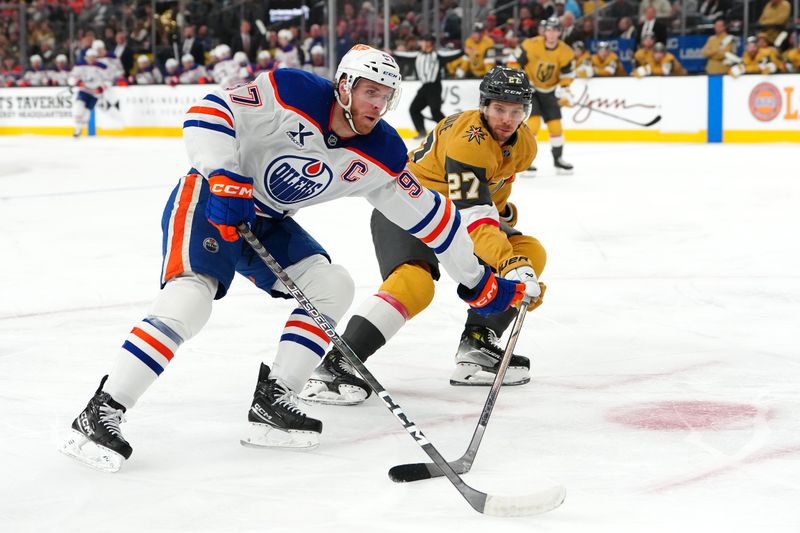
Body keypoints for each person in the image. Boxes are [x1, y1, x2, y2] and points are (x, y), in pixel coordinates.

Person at [60, 45, 533, 472]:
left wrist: (477, 282)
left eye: (386, 96)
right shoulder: (293, 90)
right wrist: (222, 174)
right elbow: (211, 110)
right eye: (369, 92)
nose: (377, 104)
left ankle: (274, 397)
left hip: (268, 221)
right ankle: (102, 410)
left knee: (333, 285)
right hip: (210, 198)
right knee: (190, 300)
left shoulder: (383, 149)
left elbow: (434, 218)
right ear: (344, 86)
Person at [301, 66, 545, 405]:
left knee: (529, 250)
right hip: (410, 207)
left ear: (526, 113)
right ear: (484, 106)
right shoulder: (468, 140)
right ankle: (336, 365)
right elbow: (474, 218)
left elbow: (492, 192)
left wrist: (505, 226)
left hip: (458, 212)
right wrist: (509, 263)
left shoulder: (524, 144)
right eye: (499, 109)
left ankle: (478, 343)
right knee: (415, 283)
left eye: (515, 111)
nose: (506, 118)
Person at [519, 16, 576, 174]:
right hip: (531, 90)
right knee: (533, 126)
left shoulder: (565, 51)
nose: (551, 34)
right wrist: (523, 80)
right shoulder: (531, 45)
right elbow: (514, 61)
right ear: (545, 31)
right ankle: (525, 161)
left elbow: (567, 74)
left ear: (559, 32)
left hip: (550, 91)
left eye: (555, 30)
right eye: (549, 30)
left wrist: (564, 90)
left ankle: (558, 160)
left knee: (556, 126)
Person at [393, 34, 463, 139]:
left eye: (426, 41)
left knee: (435, 112)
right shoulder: (418, 55)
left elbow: (452, 55)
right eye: (423, 41)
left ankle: (450, 130)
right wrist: (392, 53)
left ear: (431, 43)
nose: (423, 43)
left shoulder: (438, 55)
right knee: (414, 109)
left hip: (434, 87)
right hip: (424, 87)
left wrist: (463, 51)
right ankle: (421, 131)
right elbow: (405, 56)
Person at [68, 48, 109, 138]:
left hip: (95, 93)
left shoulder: (102, 67)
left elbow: (108, 81)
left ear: (96, 58)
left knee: (86, 113)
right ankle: (77, 129)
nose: (91, 59)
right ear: (86, 57)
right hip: (84, 91)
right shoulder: (79, 66)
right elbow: (71, 78)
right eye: (89, 57)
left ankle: (81, 127)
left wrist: (101, 88)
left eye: (93, 57)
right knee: (78, 107)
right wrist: (77, 82)